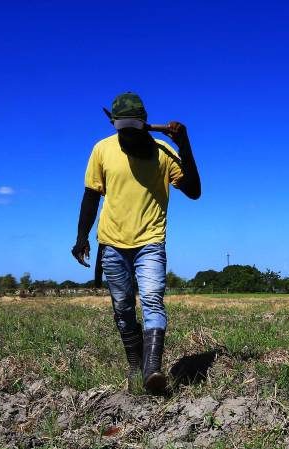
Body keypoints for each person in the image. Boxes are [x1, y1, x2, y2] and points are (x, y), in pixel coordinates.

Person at [72, 92, 201, 395]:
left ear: (144, 125)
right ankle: (135, 366)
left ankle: (152, 370)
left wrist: (184, 144)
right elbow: (91, 196)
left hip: (150, 241)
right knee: (123, 308)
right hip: (112, 243)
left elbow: (194, 191)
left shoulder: (163, 152)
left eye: (132, 129)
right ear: (115, 126)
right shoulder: (102, 150)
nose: (126, 137)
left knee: (153, 299)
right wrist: (81, 237)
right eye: (122, 130)